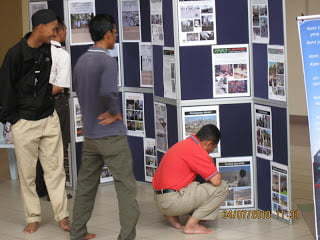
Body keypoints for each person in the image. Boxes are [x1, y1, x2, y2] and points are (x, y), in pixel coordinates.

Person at [0, 9, 70, 233]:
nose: (56, 32)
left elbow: (52, 83)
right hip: (25, 123)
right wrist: (13, 120)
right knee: (27, 175)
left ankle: (63, 215)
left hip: (49, 118)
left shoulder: (50, 51)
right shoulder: (15, 55)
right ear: (40, 27)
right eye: (54, 28)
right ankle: (33, 216)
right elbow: (5, 89)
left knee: (55, 170)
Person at [70, 14, 139, 240]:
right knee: (126, 188)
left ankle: (77, 233)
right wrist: (114, 113)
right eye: (115, 32)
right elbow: (108, 91)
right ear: (107, 34)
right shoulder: (107, 61)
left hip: (90, 135)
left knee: (86, 186)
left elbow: (78, 90)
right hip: (111, 137)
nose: (116, 36)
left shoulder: (81, 61)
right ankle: (126, 237)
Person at [152, 124, 228, 234]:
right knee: (222, 187)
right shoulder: (197, 151)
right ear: (208, 143)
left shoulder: (185, 143)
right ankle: (191, 225)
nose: (212, 151)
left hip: (160, 199)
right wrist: (209, 161)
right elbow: (216, 181)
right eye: (213, 147)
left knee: (195, 181)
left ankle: (171, 216)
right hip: (171, 201)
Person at [36, 16, 72, 200]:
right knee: (58, 147)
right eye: (64, 30)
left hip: (38, 104)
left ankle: (41, 188)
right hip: (56, 102)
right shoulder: (62, 55)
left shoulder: (39, 51)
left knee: (41, 146)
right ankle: (55, 191)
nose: (66, 33)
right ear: (57, 32)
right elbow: (59, 86)